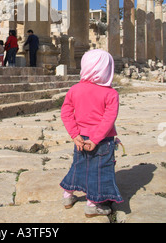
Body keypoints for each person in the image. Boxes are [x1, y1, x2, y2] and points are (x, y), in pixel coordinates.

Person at [60, 49, 123, 218]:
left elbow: (65, 113)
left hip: (80, 139)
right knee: (99, 171)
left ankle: (67, 196)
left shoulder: (75, 89)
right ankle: (92, 205)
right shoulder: (111, 94)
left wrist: (74, 135)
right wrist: (95, 139)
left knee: (78, 166)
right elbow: (108, 120)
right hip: (102, 141)